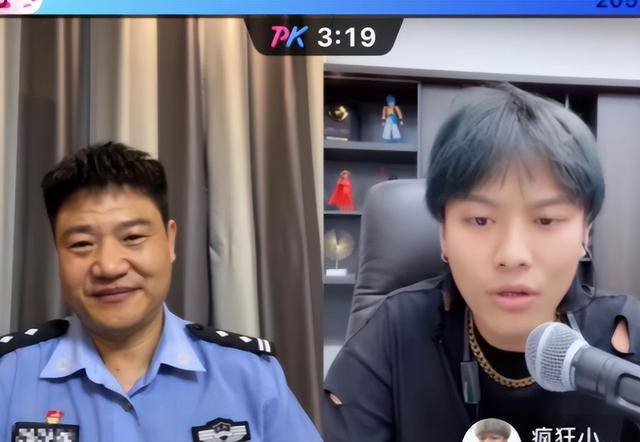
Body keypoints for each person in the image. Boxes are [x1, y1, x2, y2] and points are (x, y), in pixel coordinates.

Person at [323, 84, 640, 441]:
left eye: (546, 220)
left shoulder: (626, 335)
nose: (512, 256)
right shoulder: (393, 332)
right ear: (444, 235)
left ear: (586, 234)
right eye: (480, 220)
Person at [0, 142, 322, 441]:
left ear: (170, 241)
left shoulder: (250, 377)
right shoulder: (9, 377)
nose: (109, 266)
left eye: (132, 237)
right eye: (82, 243)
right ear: (57, 253)